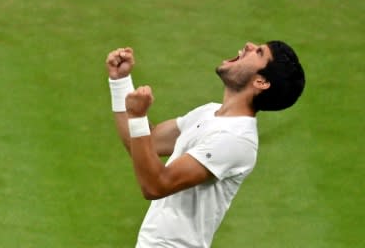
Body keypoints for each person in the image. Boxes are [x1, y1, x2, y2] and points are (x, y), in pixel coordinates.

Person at [106, 41, 305, 247]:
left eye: (259, 52)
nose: (248, 46)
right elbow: (145, 143)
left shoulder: (235, 139)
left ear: (261, 82)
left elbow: (156, 185)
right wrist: (121, 82)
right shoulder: (209, 112)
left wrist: (138, 117)